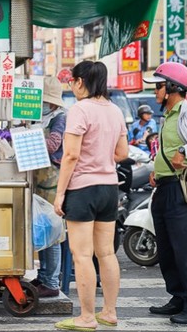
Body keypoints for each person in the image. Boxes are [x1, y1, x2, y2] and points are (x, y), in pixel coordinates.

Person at [53, 60, 128, 331]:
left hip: (83, 189)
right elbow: (122, 153)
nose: (72, 86)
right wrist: (101, 157)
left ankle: (86, 317)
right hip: (109, 188)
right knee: (106, 253)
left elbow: (70, 155)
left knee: (82, 255)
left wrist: (60, 194)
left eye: (73, 81)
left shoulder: (79, 110)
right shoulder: (115, 110)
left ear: (80, 81)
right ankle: (109, 312)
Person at [142, 61, 187, 325]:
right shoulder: (167, 116)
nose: (156, 92)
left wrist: (186, 151)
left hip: (181, 190)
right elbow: (166, 150)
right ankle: (179, 297)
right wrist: (156, 171)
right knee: (168, 250)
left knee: (185, 250)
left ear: (172, 87)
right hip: (164, 186)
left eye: (159, 86)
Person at [31, 76, 67, 298]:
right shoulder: (41, 118)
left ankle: (52, 282)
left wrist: (26, 137)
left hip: (53, 181)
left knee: (53, 232)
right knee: (42, 229)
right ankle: (43, 276)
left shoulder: (60, 119)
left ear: (53, 102)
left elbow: (53, 144)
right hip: (40, 181)